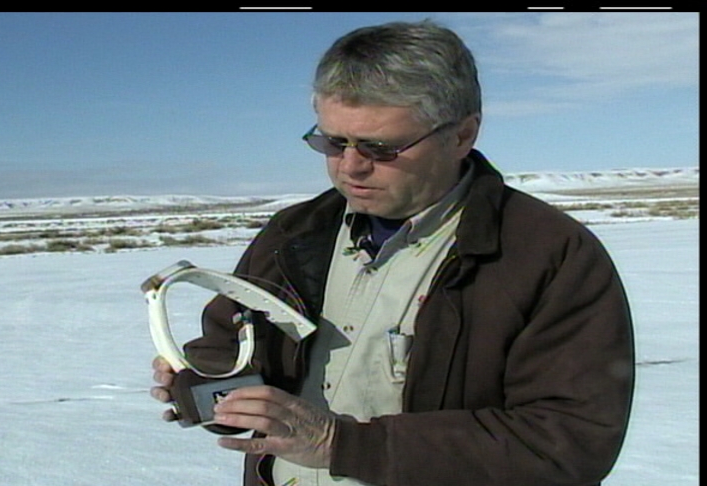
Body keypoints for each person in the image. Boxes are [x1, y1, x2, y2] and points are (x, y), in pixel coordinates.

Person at [150, 19, 634, 486]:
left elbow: (567, 442)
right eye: (332, 142)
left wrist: (343, 445)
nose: (351, 167)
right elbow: (232, 345)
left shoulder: (548, 254)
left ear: (462, 134)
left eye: (381, 148)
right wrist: (205, 386)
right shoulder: (294, 234)